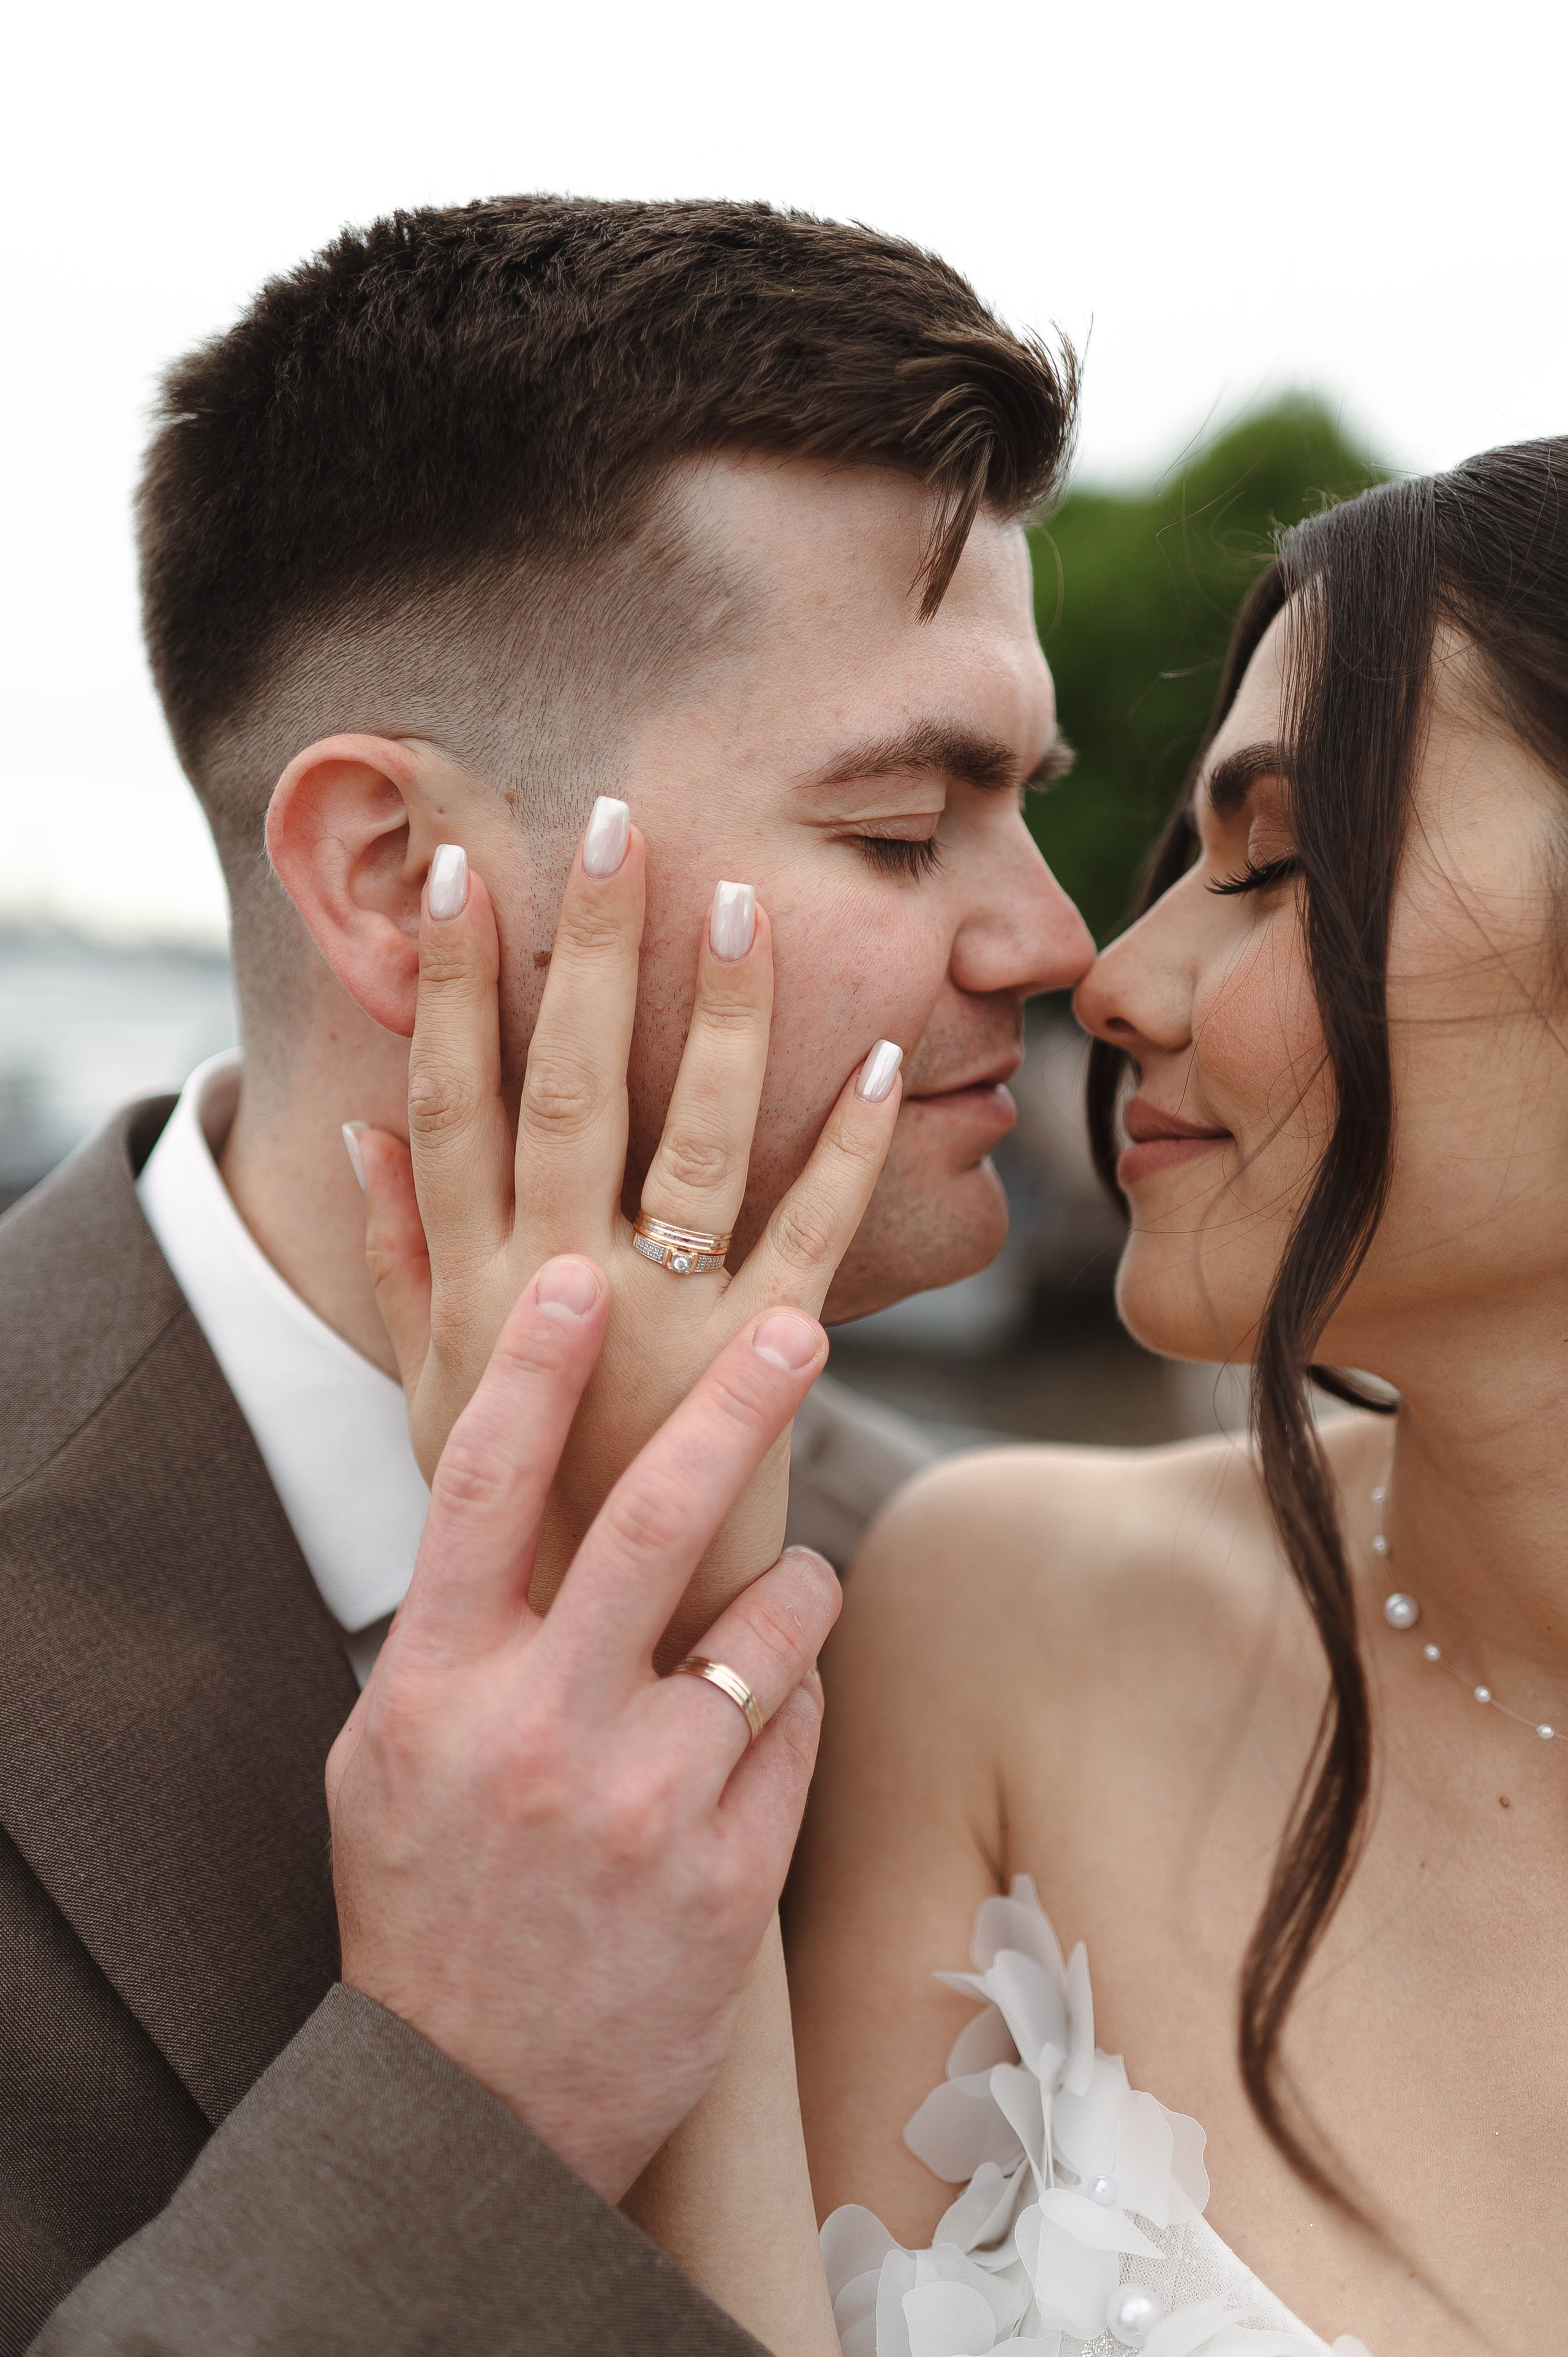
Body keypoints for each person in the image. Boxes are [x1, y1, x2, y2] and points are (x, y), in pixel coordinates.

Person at [0, 195, 1093, 2348]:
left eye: (1027, 804)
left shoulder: (977, 1600)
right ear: (401, 880)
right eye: (903, 825)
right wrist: (465, 2090)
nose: (1055, 941)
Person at [407, 439, 1559, 2357]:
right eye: (890, 828)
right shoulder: (1003, 1610)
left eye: (1279, 865)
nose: (1105, 974)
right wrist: (661, 1567)